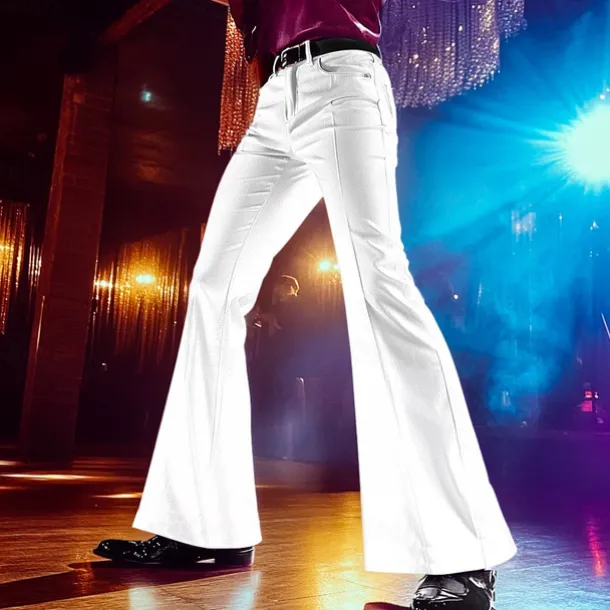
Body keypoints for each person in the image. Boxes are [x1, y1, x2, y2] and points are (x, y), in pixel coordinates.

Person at [94, 1, 518, 607]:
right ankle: (203, 528)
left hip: (344, 79)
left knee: (378, 285)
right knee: (214, 288)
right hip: (274, 100)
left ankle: (464, 557)